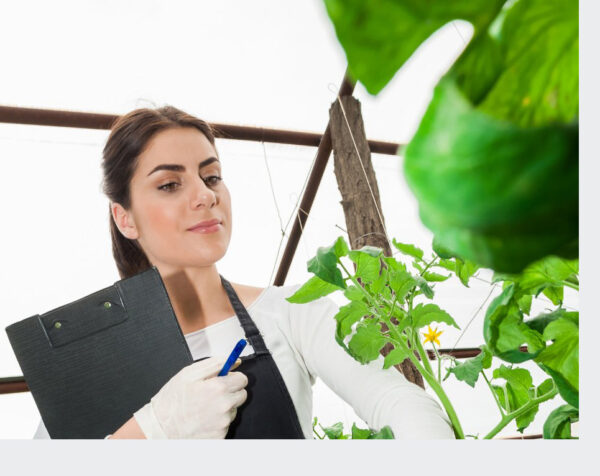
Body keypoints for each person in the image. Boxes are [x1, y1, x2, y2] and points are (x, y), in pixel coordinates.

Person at [33, 105, 455, 440]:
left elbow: (396, 400)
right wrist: (156, 428)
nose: (205, 195)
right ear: (125, 218)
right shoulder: (92, 361)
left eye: (212, 176)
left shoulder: (292, 312)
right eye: (169, 184)